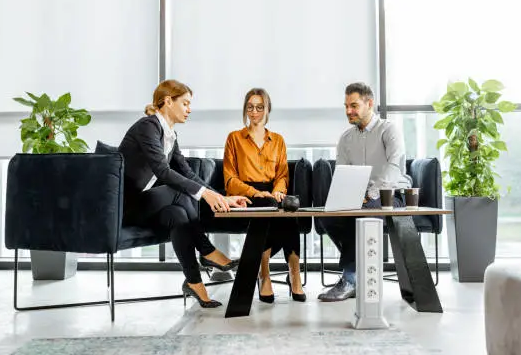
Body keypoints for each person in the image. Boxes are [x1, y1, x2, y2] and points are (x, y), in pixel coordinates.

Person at [118, 79, 250, 308]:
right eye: (186, 103)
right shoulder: (147, 126)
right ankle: (208, 251)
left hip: (144, 206)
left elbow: (187, 173)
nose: (189, 109)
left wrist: (220, 196)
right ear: (168, 101)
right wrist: (205, 196)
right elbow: (163, 171)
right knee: (178, 192)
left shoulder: (170, 135)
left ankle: (194, 283)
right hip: (124, 208)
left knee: (177, 215)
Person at [317, 82, 411, 302]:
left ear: (370, 103)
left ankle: (350, 278)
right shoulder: (346, 139)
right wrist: (346, 196)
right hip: (358, 199)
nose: (349, 111)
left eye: (354, 105)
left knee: (361, 215)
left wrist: (370, 194)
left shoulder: (389, 130)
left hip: (391, 196)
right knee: (326, 217)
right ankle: (358, 273)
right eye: (346, 106)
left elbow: (393, 169)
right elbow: (343, 174)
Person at [223, 88, 306, 303]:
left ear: (268, 109)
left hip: (272, 192)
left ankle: (294, 273)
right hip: (246, 194)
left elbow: (282, 175)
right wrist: (255, 192)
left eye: (260, 107)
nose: (254, 111)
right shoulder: (234, 138)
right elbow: (229, 178)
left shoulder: (277, 140)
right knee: (270, 208)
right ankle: (264, 274)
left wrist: (278, 191)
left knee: (290, 210)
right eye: (250, 107)